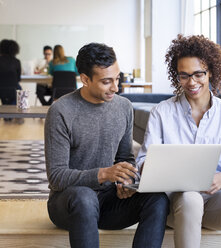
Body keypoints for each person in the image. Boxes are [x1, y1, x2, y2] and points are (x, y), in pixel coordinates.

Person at [45, 42, 169, 248]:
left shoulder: (123, 107)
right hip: (69, 203)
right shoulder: (60, 111)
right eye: (106, 81)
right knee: (84, 196)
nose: (116, 87)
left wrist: (125, 182)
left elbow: (125, 159)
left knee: (157, 198)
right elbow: (57, 177)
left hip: (109, 202)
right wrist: (103, 174)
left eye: (117, 78)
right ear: (85, 79)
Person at [136, 34, 221, 248]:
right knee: (190, 198)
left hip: (215, 203)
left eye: (199, 74)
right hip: (176, 206)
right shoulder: (161, 113)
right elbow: (142, 161)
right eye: (184, 75)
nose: (191, 82)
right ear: (176, 76)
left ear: (211, 72)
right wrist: (153, 168)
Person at [0, 39, 22, 105]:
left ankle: (7, 110)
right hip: (13, 90)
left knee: (5, 90)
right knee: (18, 89)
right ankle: (11, 111)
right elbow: (18, 79)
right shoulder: (17, 61)